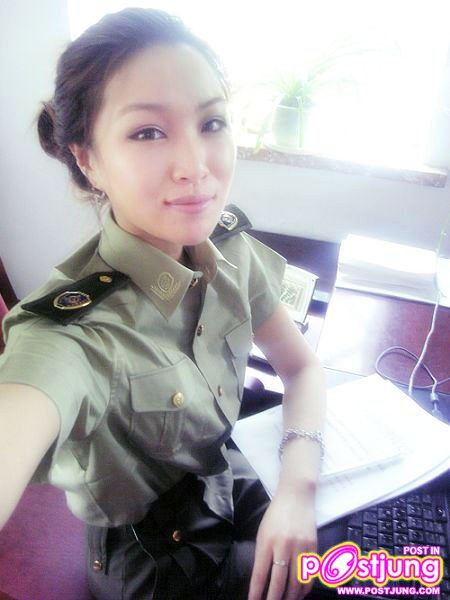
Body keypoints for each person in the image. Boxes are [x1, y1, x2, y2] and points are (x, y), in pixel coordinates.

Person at [0, 7, 326, 600]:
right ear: (87, 158)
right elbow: (21, 407)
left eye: (211, 122)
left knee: (386, 553)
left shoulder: (230, 249)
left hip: (225, 474)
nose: (196, 167)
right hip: (154, 555)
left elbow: (302, 366)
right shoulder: (71, 331)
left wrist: (297, 492)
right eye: (148, 132)